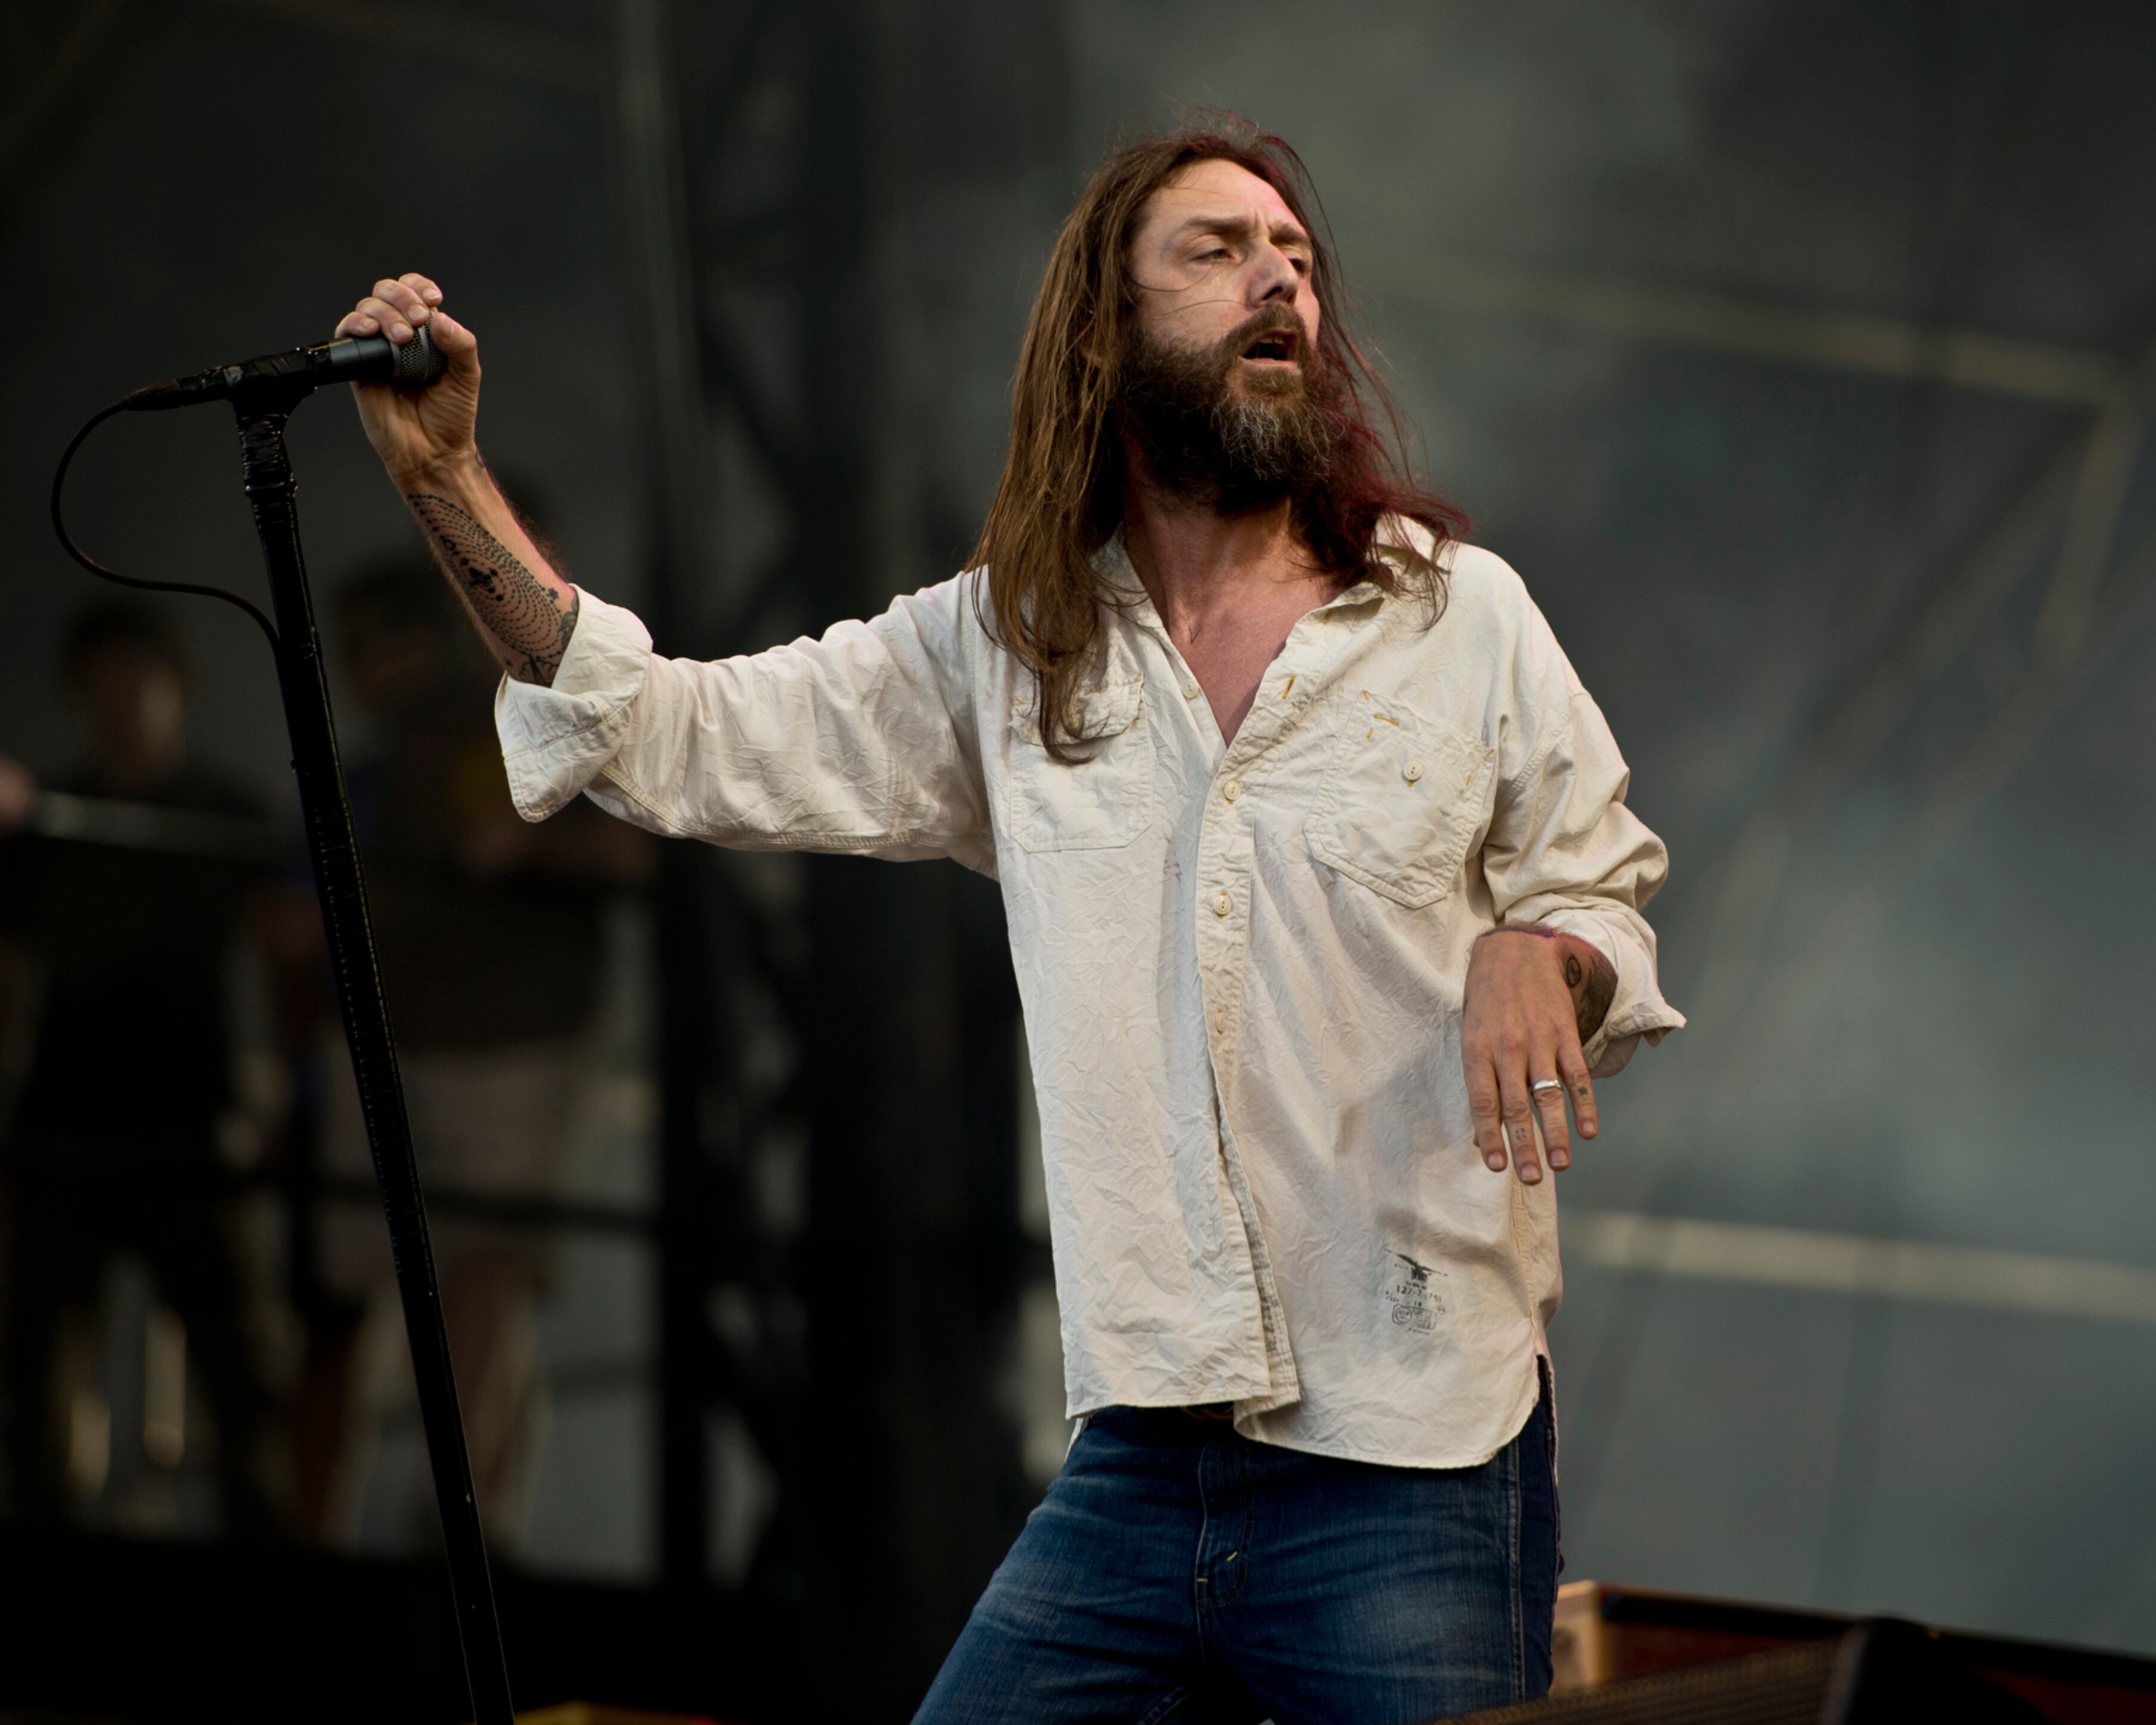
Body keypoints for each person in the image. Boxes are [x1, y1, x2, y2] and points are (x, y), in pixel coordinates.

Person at [335, 120, 1682, 1723]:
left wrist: (1548, 944)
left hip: (1408, 1444)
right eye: (1220, 250)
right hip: (1138, 1454)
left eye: (1300, 262)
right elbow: (663, 729)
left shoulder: (1457, 613)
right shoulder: (1009, 650)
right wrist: (446, 481)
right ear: (1105, 332)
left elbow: (1594, 874)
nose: (1281, 281)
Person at [292, 557, 650, 1550]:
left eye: (376, 646)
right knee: (432, 1283)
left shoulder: (507, 720)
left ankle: (463, 1531)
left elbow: (629, 851)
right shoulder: (398, 752)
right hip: (417, 1048)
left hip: (509, 1044)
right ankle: (450, 1528)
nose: (362, 670)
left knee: (482, 1272)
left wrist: (523, 848)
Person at [0, 604, 284, 1536]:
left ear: (177, 690)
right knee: (40, 1366)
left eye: (137, 685)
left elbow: (292, 959)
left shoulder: (228, 819)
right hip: (63, 1125)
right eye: (101, 689)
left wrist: (276, 1097)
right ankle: (48, 1570)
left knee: (238, 1367)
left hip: (191, 1122)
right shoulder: (46, 823)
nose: (120, 706)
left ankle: (270, 1572)